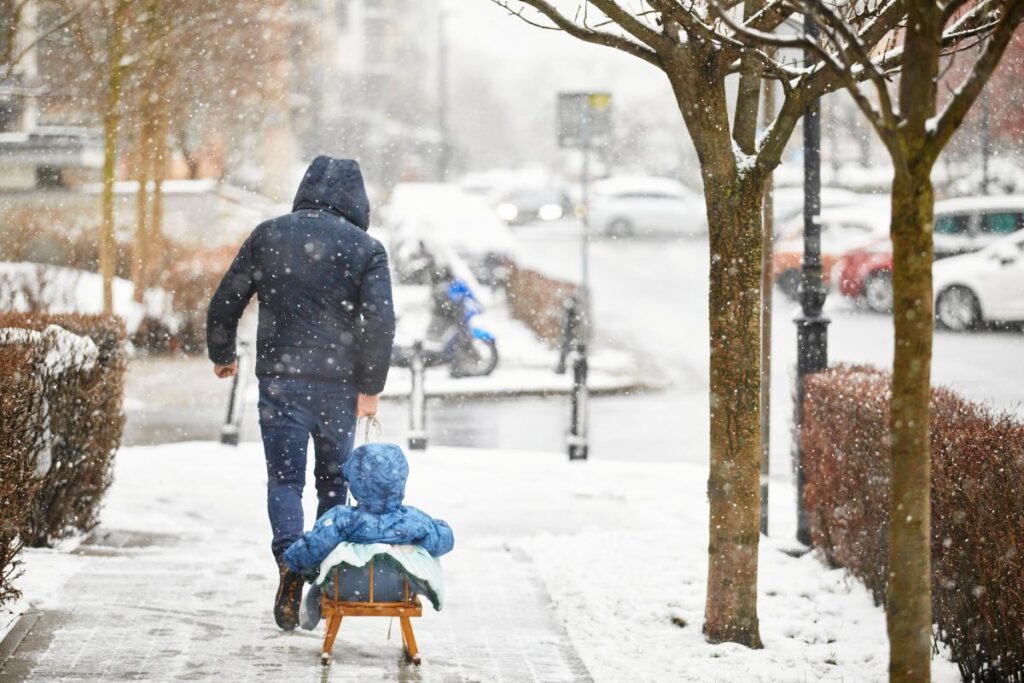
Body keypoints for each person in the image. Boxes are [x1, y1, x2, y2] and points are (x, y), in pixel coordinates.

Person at [206, 156, 396, 631]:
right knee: (333, 482)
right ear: (358, 199)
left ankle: (290, 559)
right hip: (339, 386)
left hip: (280, 381)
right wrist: (371, 387)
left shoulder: (269, 234)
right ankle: (323, 576)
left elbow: (227, 296)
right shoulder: (366, 249)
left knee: (284, 481)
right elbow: (380, 325)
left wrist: (222, 352)